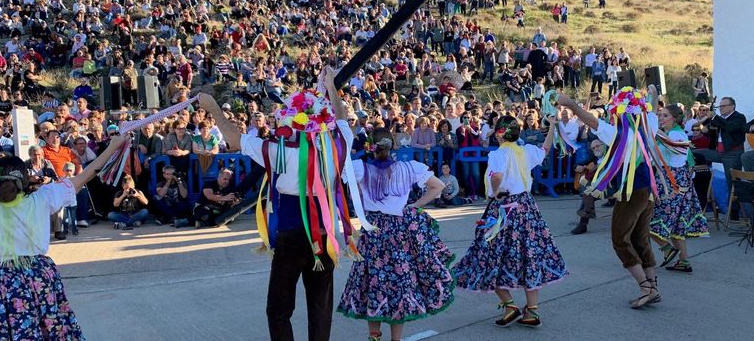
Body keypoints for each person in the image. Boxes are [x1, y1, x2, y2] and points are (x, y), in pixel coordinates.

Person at [197, 67, 357, 341]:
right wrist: (331, 86)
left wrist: (213, 107)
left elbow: (235, 140)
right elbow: (341, 118)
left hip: (291, 237)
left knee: (278, 309)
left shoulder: (277, 152)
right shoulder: (337, 146)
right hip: (325, 237)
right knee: (320, 307)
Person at [0, 137, 123, 339]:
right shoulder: (43, 198)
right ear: (25, 180)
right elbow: (89, 173)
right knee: (49, 327)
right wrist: (114, 145)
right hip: (39, 278)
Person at [558, 86, 672, 309]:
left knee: (620, 239)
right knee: (640, 239)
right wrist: (653, 93)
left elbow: (591, 120)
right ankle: (653, 288)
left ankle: (645, 288)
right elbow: (650, 109)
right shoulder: (649, 126)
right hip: (647, 191)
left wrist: (571, 104)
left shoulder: (618, 133)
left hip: (632, 193)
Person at [451, 113, 567, 327]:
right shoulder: (526, 151)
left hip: (505, 209)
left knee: (490, 255)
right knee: (529, 254)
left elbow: (496, 176)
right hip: (527, 207)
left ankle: (510, 305)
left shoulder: (499, 154)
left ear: (498, 135)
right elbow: (546, 149)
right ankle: (531, 310)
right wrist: (552, 126)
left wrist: (495, 192)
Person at [337, 127, 452, 341]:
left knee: (373, 279)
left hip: (373, 230)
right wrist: (414, 206)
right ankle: (395, 339)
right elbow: (438, 186)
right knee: (399, 281)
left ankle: (374, 336)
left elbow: (335, 169)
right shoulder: (410, 168)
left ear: (370, 148)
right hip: (400, 230)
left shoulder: (360, 168)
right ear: (393, 145)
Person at [649, 104, 709, 273]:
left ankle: (667, 249)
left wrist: (650, 127)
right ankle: (684, 261)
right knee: (675, 225)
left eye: (665, 116)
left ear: (674, 119)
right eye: (660, 115)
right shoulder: (668, 134)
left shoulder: (675, 134)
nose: (661, 118)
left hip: (672, 183)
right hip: (672, 181)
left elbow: (670, 145)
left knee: (650, 221)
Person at [692, 96, 746, 199]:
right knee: (694, 153)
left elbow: (730, 127)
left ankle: (734, 212)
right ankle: (699, 179)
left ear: (732, 106)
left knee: (733, 184)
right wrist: (703, 124)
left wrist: (715, 117)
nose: (721, 108)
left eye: (723, 106)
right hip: (718, 152)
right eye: (720, 106)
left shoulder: (739, 117)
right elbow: (708, 132)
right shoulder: (719, 119)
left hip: (732, 154)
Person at [571, 138, 608, 235]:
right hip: (598, 186)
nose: (595, 149)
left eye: (598, 146)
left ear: (605, 145)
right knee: (587, 190)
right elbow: (578, 164)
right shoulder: (594, 157)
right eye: (593, 148)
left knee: (587, 191)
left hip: (612, 185)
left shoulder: (612, 156)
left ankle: (583, 222)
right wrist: (578, 167)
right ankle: (584, 221)